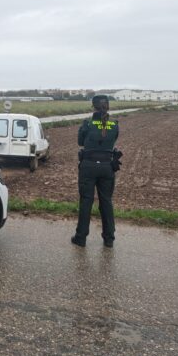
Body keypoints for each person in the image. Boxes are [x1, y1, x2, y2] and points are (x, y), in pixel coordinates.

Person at [72, 95, 121, 248]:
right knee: (106, 201)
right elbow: (112, 140)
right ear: (108, 106)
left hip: (88, 166)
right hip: (107, 167)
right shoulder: (114, 124)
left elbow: (80, 141)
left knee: (86, 201)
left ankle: (81, 238)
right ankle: (109, 239)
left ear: (93, 106)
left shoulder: (87, 123)